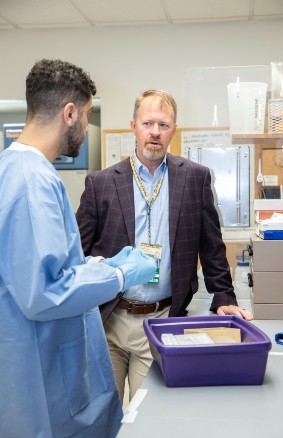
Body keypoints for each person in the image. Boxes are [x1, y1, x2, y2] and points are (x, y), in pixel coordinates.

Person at [0, 60, 157, 438]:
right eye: (87, 117)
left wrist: (90, 266)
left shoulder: (12, 169)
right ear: (70, 113)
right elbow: (45, 292)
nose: (87, 129)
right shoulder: (32, 180)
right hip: (44, 375)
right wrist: (119, 277)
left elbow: (27, 267)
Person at [76, 89, 254, 404]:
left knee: (149, 416)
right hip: (109, 320)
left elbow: (211, 245)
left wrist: (224, 295)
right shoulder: (100, 183)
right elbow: (79, 252)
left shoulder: (195, 178)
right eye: (148, 123)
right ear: (133, 126)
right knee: (106, 416)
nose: (155, 132)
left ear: (174, 129)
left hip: (162, 320)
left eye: (163, 124)